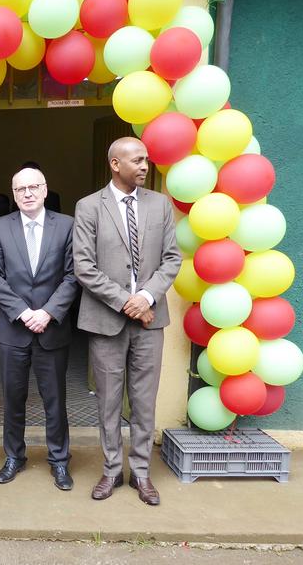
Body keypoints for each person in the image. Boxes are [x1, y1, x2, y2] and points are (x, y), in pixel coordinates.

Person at [73, 137, 181, 506]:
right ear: (115, 164)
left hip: (151, 320)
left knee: (144, 400)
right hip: (106, 321)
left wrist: (147, 297)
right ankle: (111, 471)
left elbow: (172, 259)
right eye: (137, 160)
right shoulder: (89, 207)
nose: (145, 166)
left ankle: (142, 474)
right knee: (108, 401)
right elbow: (84, 267)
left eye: (146, 160)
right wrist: (128, 303)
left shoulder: (160, 205)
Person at [0, 166, 80, 490]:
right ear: (14, 194)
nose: (27, 193)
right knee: (13, 398)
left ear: (44, 189)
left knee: (55, 400)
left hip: (52, 330)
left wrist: (49, 313)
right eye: (20, 189)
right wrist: (24, 313)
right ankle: (14, 456)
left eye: (33, 187)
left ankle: (59, 461)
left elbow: (73, 275)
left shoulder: (66, 225)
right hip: (14, 330)